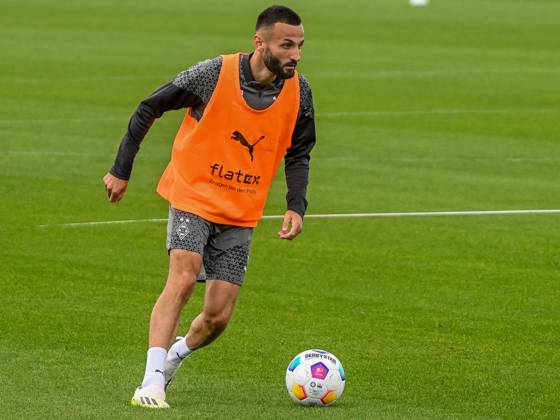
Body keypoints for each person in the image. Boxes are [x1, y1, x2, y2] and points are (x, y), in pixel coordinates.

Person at [103, 5, 315, 409]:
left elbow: (300, 150)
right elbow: (150, 106)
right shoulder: (213, 74)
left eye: (300, 46)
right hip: (193, 194)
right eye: (287, 45)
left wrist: (296, 205)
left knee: (217, 318)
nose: (295, 55)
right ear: (260, 42)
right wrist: (121, 169)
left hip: (241, 211)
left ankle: (173, 358)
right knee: (181, 280)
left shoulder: (299, 90)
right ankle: (150, 383)